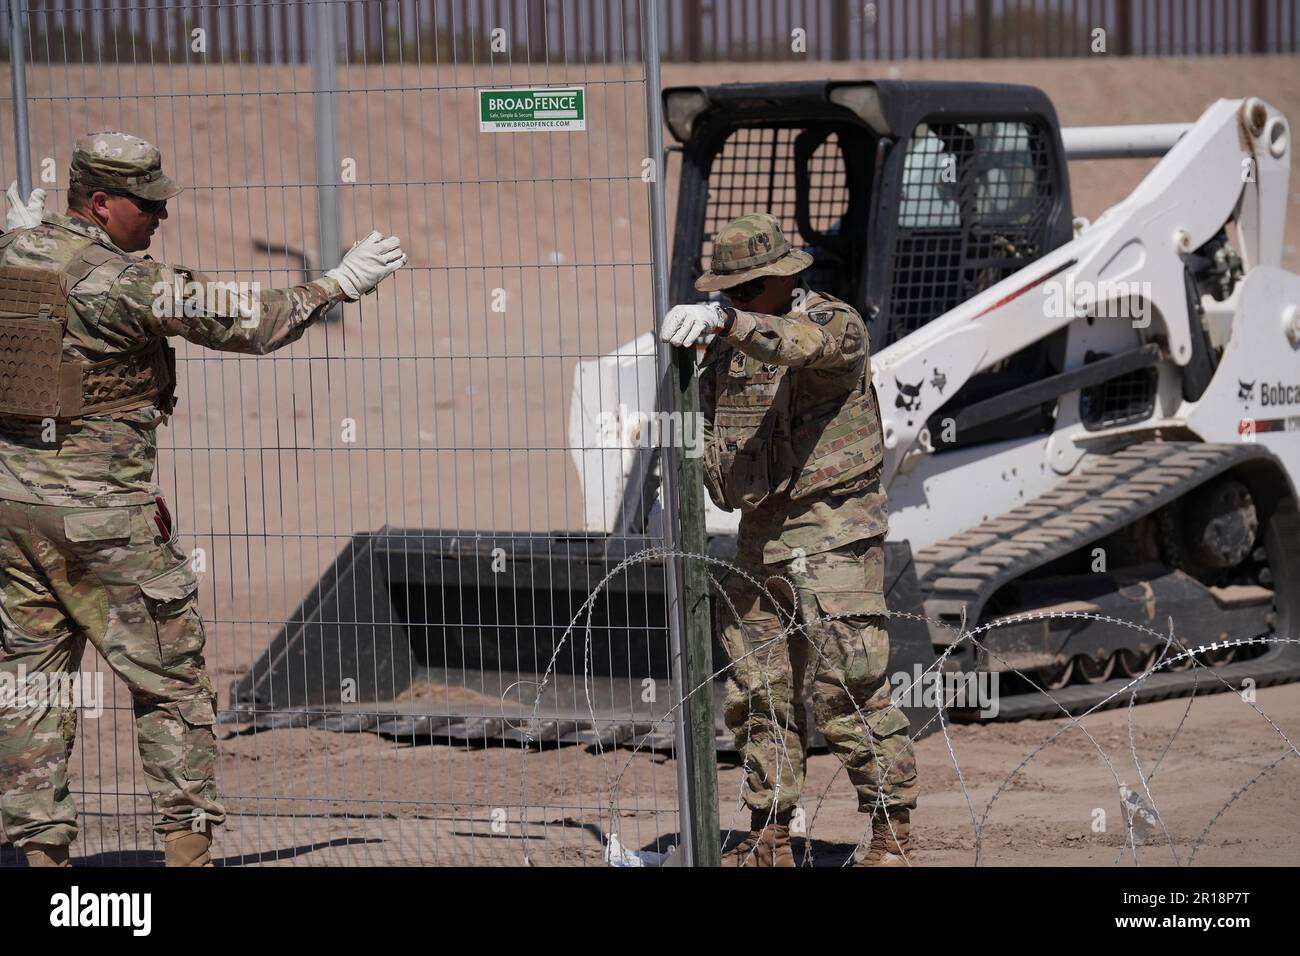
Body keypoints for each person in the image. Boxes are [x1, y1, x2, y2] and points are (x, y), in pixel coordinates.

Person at [0, 131, 406, 867]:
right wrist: (336, 285)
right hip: (104, 523)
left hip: (13, 516)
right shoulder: (125, 283)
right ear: (100, 202)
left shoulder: (14, 257)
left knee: (30, 688)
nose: (160, 216)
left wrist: (23, 238)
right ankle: (186, 856)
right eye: (146, 204)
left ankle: (41, 860)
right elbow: (246, 320)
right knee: (173, 687)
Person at [659, 213, 918, 866]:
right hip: (761, 543)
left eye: (747, 290)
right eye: (729, 292)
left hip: (833, 540)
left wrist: (731, 325)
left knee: (846, 690)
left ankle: (892, 835)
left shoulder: (836, 325)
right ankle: (770, 830)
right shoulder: (728, 354)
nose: (734, 301)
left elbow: (797, 345)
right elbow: (718, 456)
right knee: (756, 694)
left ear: (782, 277)